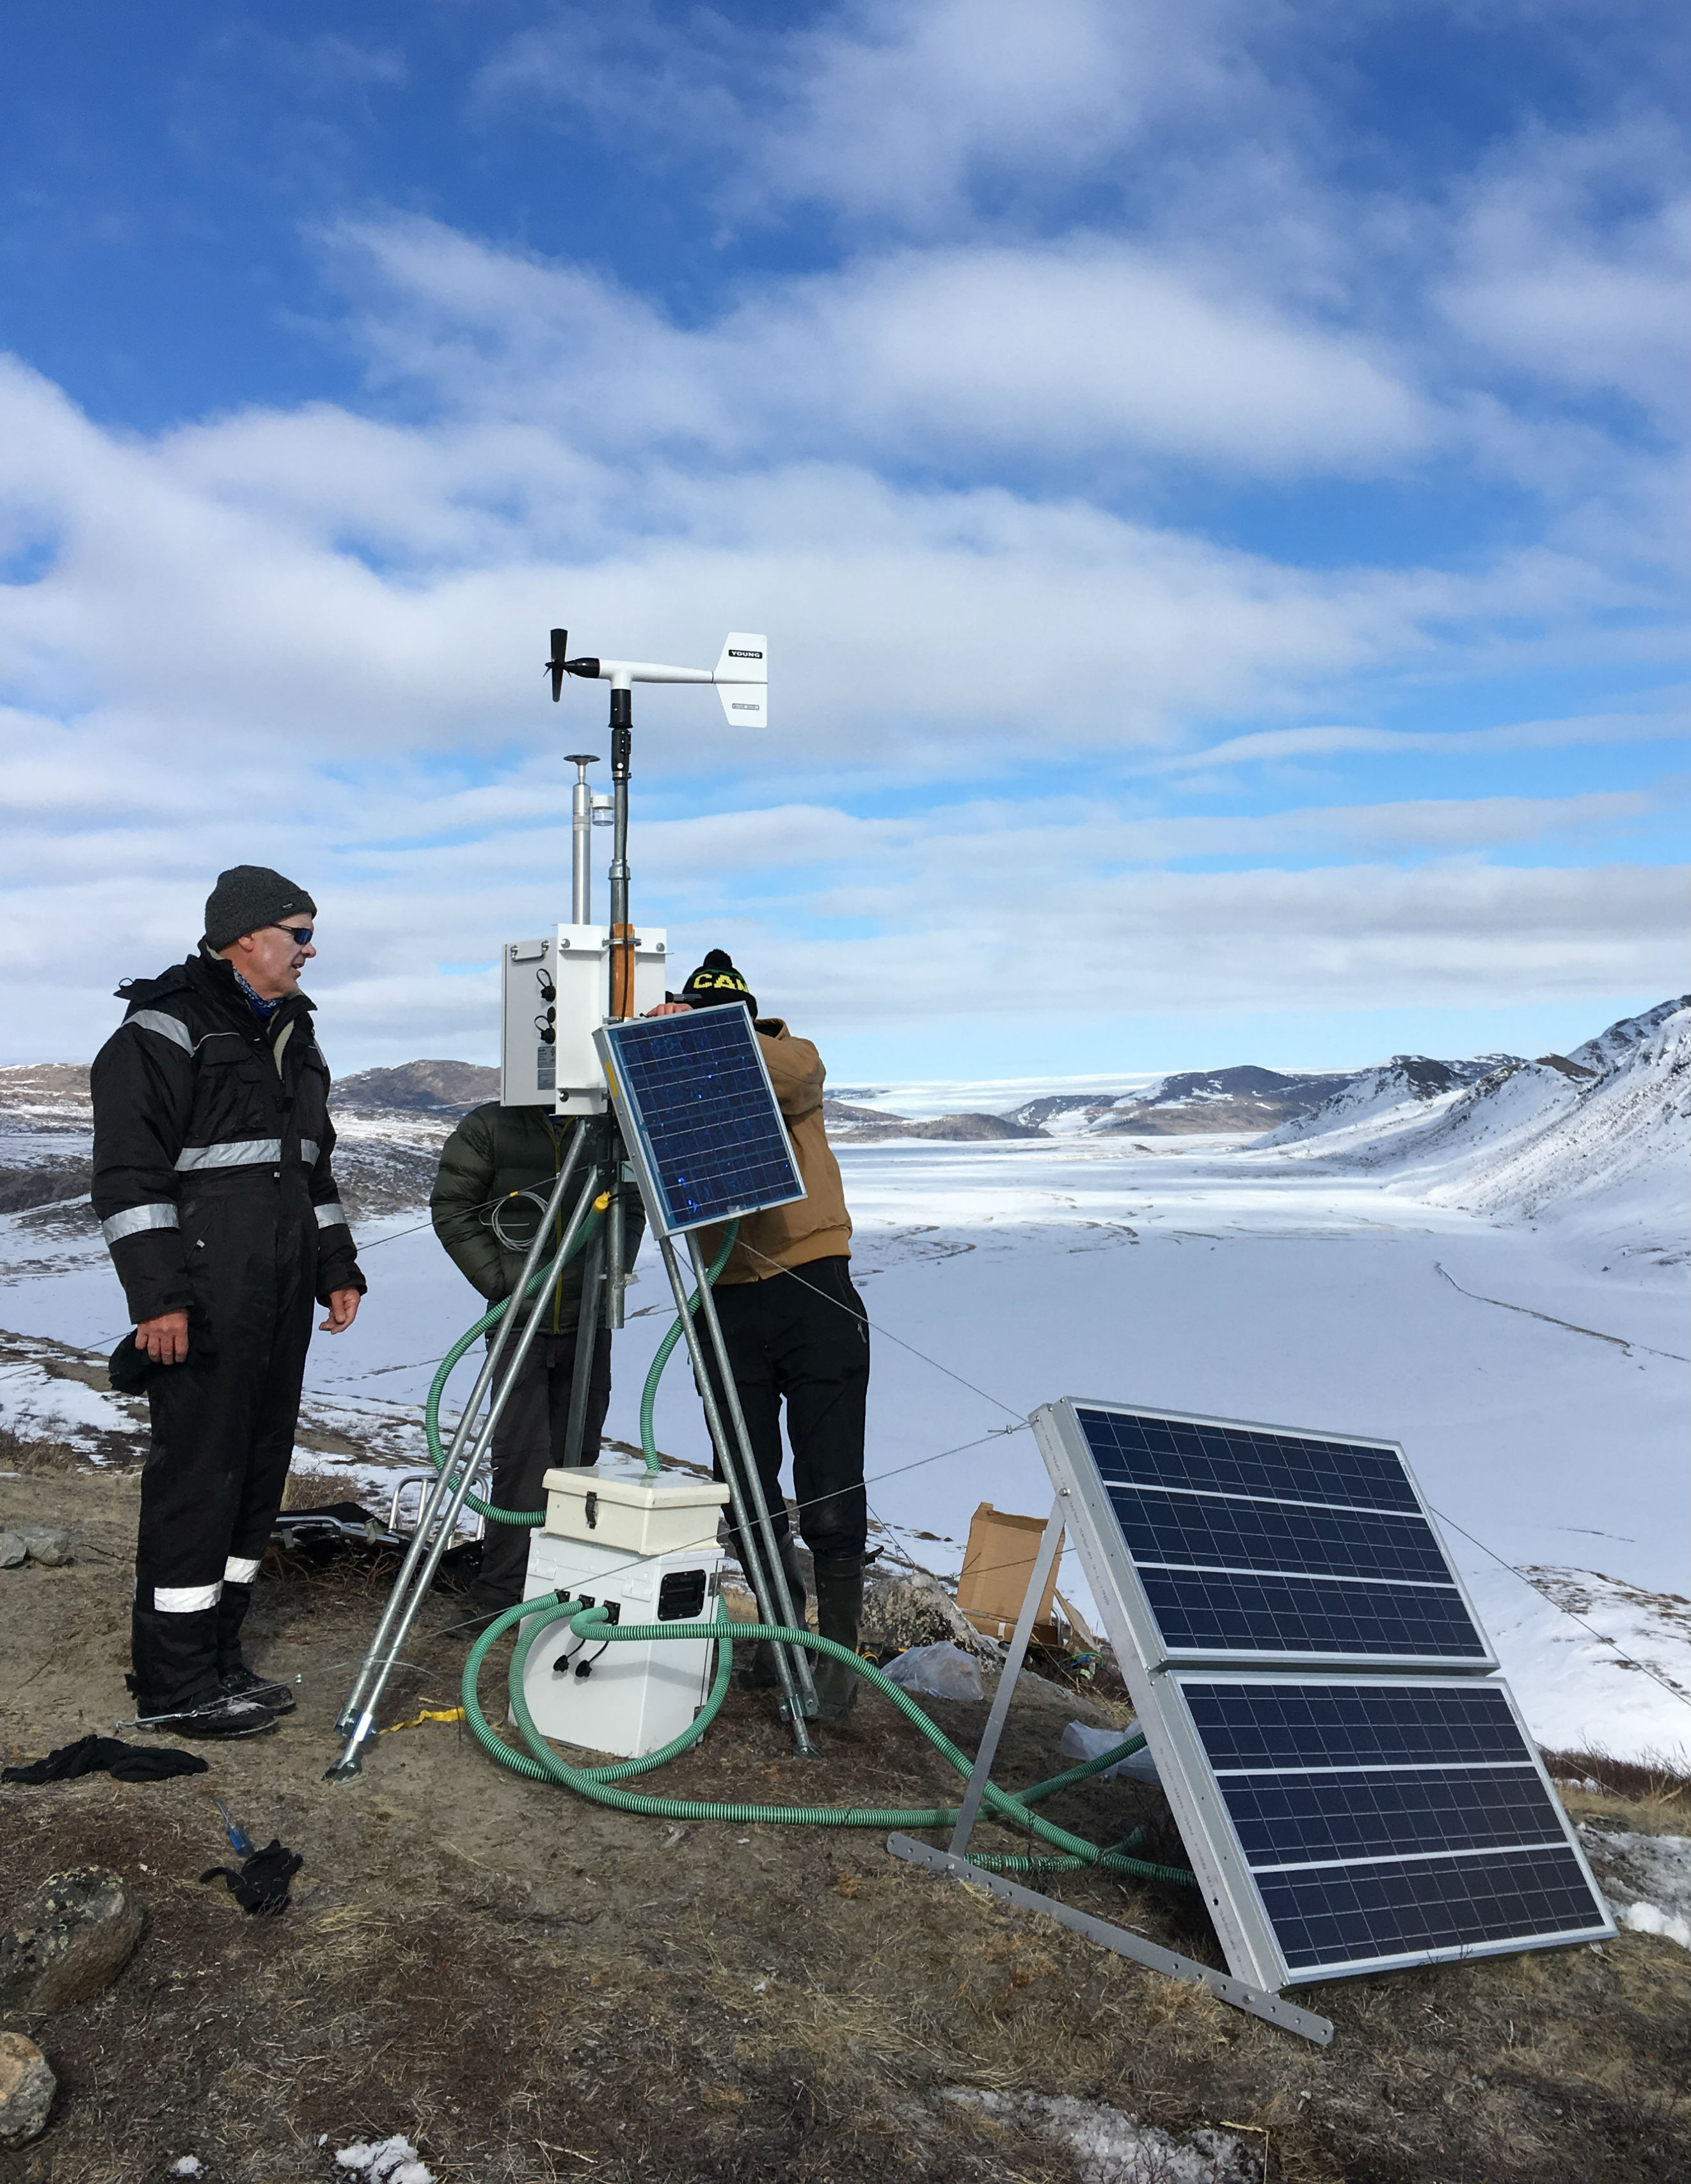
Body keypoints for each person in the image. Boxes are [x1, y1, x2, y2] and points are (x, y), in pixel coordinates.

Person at [90, 866, 367, 1738]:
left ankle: (219, 1657)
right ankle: (173, 1684)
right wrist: (160, 1299)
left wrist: (337, 1265)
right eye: (299, 931)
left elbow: (310, 1171)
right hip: (204, 1301)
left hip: (280, 1299)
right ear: (246, 937)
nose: (310, 948)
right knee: (198, 1482)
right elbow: (131, 1181)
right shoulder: (163, 1031)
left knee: (253, 1479)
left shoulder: (293, 1031)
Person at [650, 949, 869, 1718]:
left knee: (831, 1486)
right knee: (744, 1487)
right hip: (728, 1300)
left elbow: (799, 1076)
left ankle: (836, 1665)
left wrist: (700, 1035)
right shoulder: (681, 1080)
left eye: (726, 1023)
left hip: (813, 1289)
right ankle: (783, 1643)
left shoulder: (786, 1061)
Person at [430, 1104, 646, 1624]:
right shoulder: (491, 1125)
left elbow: (632, 1207)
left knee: (578, 1461)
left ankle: (561, 1590)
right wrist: (507, 1284)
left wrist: (608, 1273)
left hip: (586, 1323)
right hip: (516, 1325)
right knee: (521, 1462)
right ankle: (500, 1595)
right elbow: (452, 1208)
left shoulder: (609, 1126)